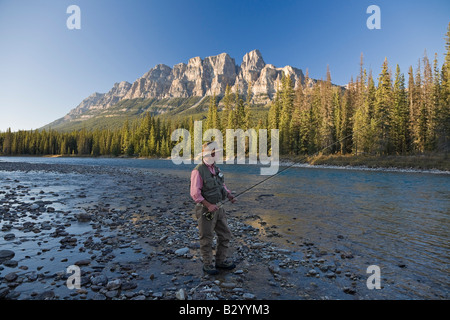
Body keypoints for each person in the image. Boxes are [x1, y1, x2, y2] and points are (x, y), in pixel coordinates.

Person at [190, 141, 236, 275]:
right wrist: (208, 205)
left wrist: (229, 195)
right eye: (217, 152)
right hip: (205, 209)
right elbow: (195, 193)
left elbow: (222, 186)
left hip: (219, 207)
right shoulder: (197, 171)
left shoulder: (216, 169)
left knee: (225, 234)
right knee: (206, 237)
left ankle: (220, 261)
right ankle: (208, 264)